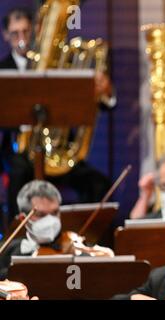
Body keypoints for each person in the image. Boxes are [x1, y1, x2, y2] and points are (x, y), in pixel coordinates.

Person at [0, 7, 115, 221]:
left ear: (35, 30)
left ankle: (82, 237)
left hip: (57, 151)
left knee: (98, 184)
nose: (22, 38)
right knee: (18, 175)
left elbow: (104, 106)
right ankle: (17, 242)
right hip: (21, 153)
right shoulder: (3, 69)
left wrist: (105, 90)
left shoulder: (60, 64)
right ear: (6, 36)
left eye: (26, 31)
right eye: (15, 34)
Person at [0, 180, 63, 280]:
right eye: (41, 215)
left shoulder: (72, 247)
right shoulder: (5, 252)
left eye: (55, 213)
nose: (51, 220)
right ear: (22, 219)